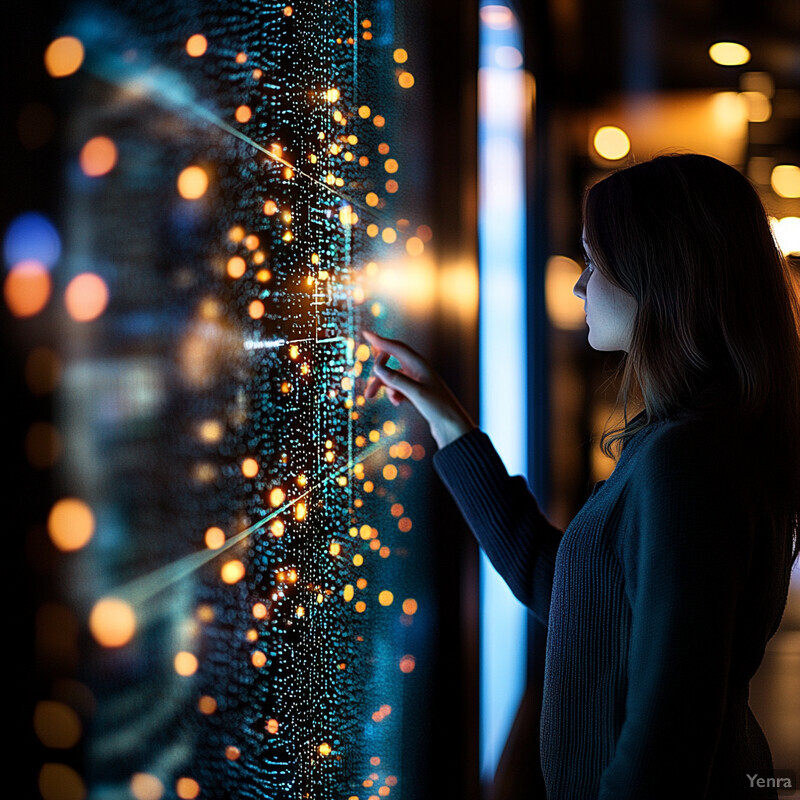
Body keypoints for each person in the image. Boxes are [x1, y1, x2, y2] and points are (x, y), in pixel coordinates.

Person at [361, 153, 800, 800]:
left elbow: (666, 741)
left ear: (657, 276)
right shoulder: (690, 442)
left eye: (593, 263)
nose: (577, 285)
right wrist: (452, 428)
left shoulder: (686, 463)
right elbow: (575, 598)